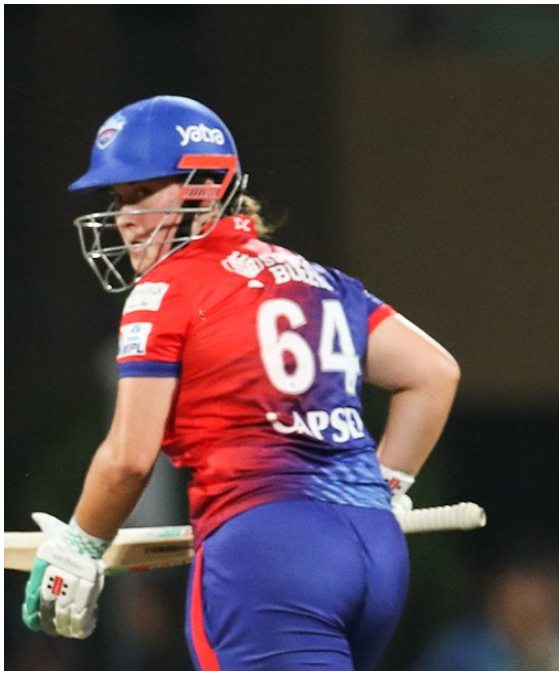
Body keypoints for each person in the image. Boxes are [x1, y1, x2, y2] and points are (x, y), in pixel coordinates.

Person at [22, 95, 461, 670]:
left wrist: (80, 545)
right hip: (374, 552)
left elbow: (128, 459)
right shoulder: (315, 277)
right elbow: (432, 374)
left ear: (205, 191)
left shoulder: (166, 289)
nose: (124, 217)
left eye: (141, 193)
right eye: (119, 199)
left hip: (267, 551)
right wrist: (386, 487)